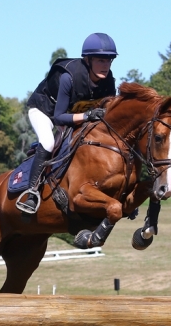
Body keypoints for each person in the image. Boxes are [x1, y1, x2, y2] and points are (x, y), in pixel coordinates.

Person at [16, 32, 119, 213]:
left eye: (109, 60)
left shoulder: (108, 82)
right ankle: (31, 192)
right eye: (100, 60)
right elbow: (58, 117)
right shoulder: (68, 77)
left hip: (73, 114)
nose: (106, 65)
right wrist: (88, 116)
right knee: (48, 142)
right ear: (87, 60)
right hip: (45, 111)